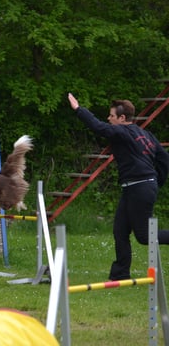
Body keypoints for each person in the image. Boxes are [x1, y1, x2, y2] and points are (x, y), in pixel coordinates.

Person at [67, 93, 169, 280]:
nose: (108, 118)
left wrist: (78, 109)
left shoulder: (121, 131)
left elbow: (97, 126)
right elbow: (164, 159)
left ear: (122, 118)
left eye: (112, 116)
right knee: (120, 230)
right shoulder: (146, 134)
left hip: (140, 187)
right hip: (134, 188)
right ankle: (120, 274)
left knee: (144, 237)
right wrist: (156, 182)